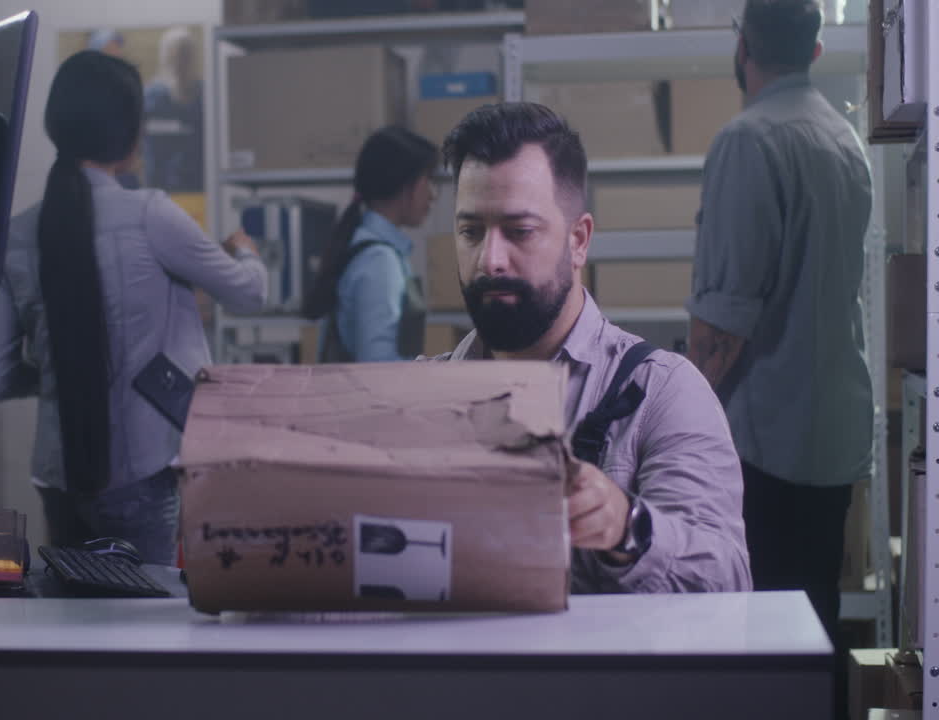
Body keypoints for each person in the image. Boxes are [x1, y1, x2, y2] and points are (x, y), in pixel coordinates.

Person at [428, 101, 751, 593]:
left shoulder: (662, 393)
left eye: (519, 232)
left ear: (579, 241)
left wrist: (629, 529)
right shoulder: (420, 398)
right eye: (471, 232)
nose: (489, 260)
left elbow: (725, 582)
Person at [0, 51, 267, 564]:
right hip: (140, 472)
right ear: (131, 133)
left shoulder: (16, 234)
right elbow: (248, 293)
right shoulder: (151, 215)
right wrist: (245, 249)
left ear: (56, 125)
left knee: (75, 626)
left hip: (57, 474)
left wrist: (55, 370)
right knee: (145, 629)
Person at [686, 1, 872, 715]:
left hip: (763, 448)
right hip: (830, 441)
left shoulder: (749, 140)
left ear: (742, 48)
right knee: (810, 636)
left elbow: (723, 324)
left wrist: (677, 417)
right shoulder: (842, 137)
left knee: (754, 648)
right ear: (818, 47)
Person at [303, 126, 439, 362]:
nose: (433, 193)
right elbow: (378, 366)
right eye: (428, 180)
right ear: (406, 185)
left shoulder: (375, 249)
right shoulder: (378, 261)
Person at [143, 27, 204, 193]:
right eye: (175, 53)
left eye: (184, 54)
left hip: (199, 187)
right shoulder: (150, 96)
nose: (178, 60)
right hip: (160, 186)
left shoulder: (204, 96)